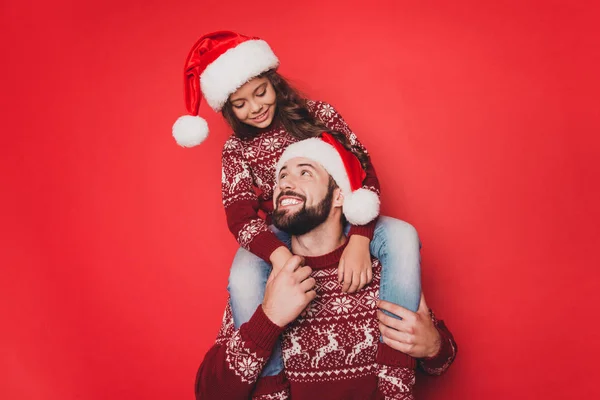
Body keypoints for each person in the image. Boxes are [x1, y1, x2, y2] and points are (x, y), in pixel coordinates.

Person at [173, 31, 421, 378]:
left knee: (402, 235)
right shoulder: (236, 150)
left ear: (273, 81)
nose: (256, 107)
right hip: (284, 230)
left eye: (260, 92)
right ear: (227, 110)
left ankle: (396, 368)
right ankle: (270, 382)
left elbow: (362, 171)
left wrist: (362, 237)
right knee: (243, 272)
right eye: (241, 103)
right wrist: (280, 256)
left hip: (341, 213)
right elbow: (240, 216)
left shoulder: (319, 114)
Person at [194, 135, 457, 399]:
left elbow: (441, 363)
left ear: (339, 195)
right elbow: (209, 394)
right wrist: (269, 318)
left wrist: (433, 345)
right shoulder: (261, 281)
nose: (284, 183)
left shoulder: (385, 270)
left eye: (305, 172)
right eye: (281, 176)